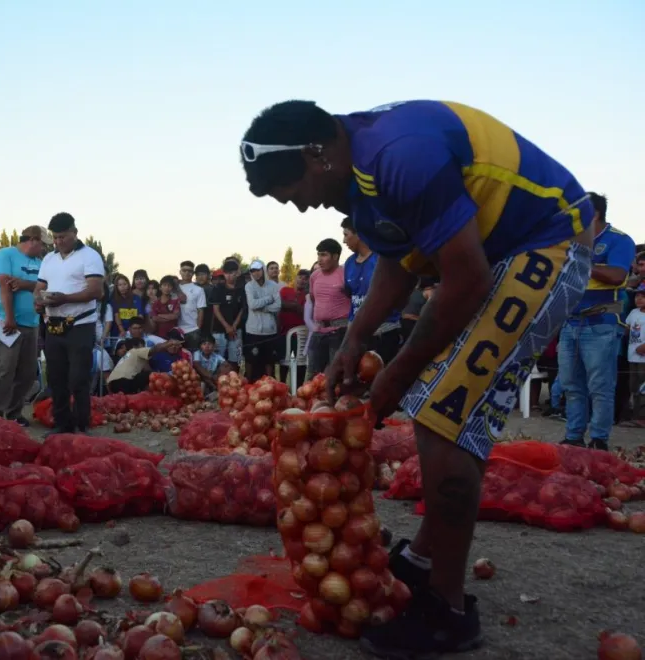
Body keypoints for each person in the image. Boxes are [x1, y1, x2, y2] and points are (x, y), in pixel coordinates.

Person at [241, 99, 593, 656]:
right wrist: (356, 338)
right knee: (445, 405)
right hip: (496, 254)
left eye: (293, 189)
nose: (300, 207)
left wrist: (390, 385)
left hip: (545, 240)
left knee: (442, 415)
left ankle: (446, 612)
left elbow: (466, 278)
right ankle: (426, 559)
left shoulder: (397, 155)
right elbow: (397, 259)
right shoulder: (362, 172)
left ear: (317, 154)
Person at [557, 193, 635, 449]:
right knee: (570, 384)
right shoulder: (568, 242)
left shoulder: (618, 240)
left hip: (600, 322)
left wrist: (580, 263)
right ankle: (574, 437)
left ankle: (599, 439)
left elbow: (616, 275)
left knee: (600, 386)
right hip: (570, 323)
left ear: (594, 214)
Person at [34, 213, 105, 434]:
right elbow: (40, 286)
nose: (58, 242)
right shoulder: (49, 259)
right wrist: (37, 301)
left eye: (62, 237)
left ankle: (81, 424)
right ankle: (62, 424)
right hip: (53, 323)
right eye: (55, 238)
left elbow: (96, 290)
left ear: (74, 233)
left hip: (80, 324)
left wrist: (65, 298)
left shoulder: (90, 256)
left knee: (78, 378)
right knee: (56, 377)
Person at [0, 226, 47, 425]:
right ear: (32, 240)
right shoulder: (5, 255)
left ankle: (14, 412)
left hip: (31, 322)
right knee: (4, 368)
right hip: (6, 321)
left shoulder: (40, 262)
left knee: (27, 372)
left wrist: (24, 284)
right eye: (43, 244)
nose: (44, 249)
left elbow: (44, 287)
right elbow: (5, 285)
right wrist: (9, 317)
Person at [342, 217, 402, 363]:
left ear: (359, 234)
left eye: (346, 235)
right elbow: (353, 298)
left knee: (381, 380)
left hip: (384, 332)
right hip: (358, 336)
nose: (343, 241)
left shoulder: (382, 259)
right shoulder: (349, 263)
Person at [308, 239, 351, 374]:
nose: (320, 259)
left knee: (336, 374)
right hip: (318, 331)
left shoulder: (346, 274)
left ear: (335, 256)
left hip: (339, 332)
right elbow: (314, 299)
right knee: (313, 376)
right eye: (318, 255)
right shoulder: (314, 276)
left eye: (324, 255)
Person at [244, 260, 281, 379]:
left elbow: (278, 306)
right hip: (253, 330)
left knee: (269, 361)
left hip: (270, 330)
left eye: (258, 270)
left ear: (263, 270)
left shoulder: (274, 286)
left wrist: (263, 308)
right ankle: (249, 384)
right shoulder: (249, 286)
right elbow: (252, 305)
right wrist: (269, 298)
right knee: (251, 360)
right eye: (253, 271)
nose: (256, 273)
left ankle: (270, 383)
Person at [106, 338, 182, 393]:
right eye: (143, 346)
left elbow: (147, 368)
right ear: (137, 346)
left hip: (112, 385)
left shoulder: (128, 356)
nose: (145, 348)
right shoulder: (136, 351)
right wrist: (168, 344)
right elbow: (154, 349)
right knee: (149, 376)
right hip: (124, 383)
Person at [210, 259, 245, 365]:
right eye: (227, 273)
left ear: (237, 273)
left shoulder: (242, 288)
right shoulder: (218, 288)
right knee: (218, 359)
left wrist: (234, 326)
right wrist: (227, 327)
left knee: (236, 360)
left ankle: (236, 378)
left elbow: (242, 309)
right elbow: (216, 309)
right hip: (219, 329)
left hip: (236, 330)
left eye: (232, 273)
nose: (229, 276)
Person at [624, 283, 645, 424]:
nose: (639, 299)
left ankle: (642, 417)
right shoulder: (633, 313)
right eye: (637, 296)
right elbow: (627, 329)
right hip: (632, 356)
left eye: (643, 297)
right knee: (634, 387)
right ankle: (636, 416)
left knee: (644, 387)